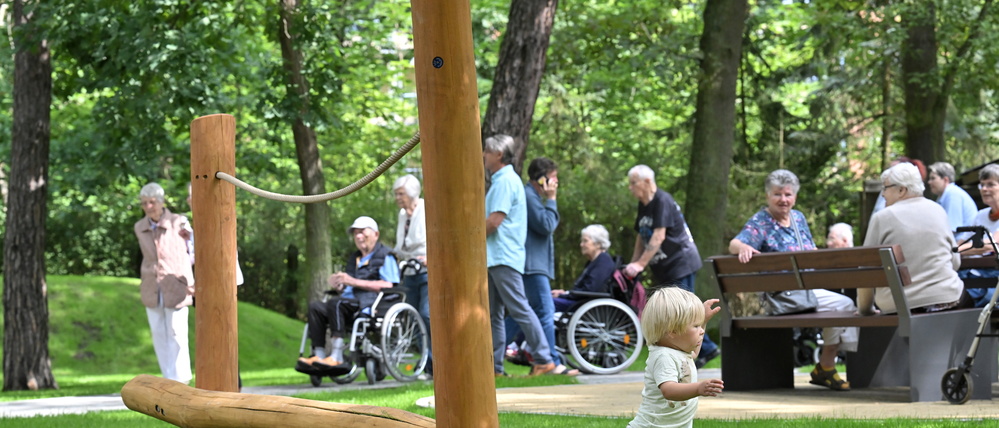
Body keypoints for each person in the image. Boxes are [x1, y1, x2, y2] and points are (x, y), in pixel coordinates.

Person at [728, 169, 858, 391]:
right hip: (779, 296)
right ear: (768, 196)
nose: (783, 199)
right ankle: (827, 366)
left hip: (804, 291)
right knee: (846, 306)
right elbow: (734, 243)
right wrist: (742, 247)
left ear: (795, 197)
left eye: (788, 194)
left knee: (845, 305)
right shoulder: (761, 221)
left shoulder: (798, 218)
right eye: (777, 194)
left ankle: (826, 366)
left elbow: (809, 250)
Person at [623, 164, 718, 369]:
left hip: (681, 262)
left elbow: (658, 236)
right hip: (665, 266)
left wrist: (640, 264)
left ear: (647, 182)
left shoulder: (662, 200)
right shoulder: (644, 205)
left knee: (684, 311)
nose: (630, 187)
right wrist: (634, 263)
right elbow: (641, 236)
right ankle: (705, 349)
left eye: (633, 183)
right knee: (675, 312)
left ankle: (704, 348)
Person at [484, 134, 557, 376]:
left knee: (520, 309)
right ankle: (495, 368)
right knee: (495, 314)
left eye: (487, 151)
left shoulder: (505, 181)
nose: (483, 155)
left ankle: (544, 359)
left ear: (498, 155)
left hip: (503, 255)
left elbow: (494, 221)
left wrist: (468, 241)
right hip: (497, 256)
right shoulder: (504, 180)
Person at [860, 163, 969, 315]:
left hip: (899, 306)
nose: (883, 194)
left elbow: (866, 270)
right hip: (948, 300)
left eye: (885, 188)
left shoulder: (882, 217)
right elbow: (955, 263)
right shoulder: (938, 210)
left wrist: (865, 309)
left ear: (901, 190)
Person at [502, 157, 576, 375]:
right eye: (553, 178)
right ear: (542, 179)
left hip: (533, 264)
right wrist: (552, 199)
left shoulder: (532, 197)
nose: (556, 183)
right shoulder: (529, 196)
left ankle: (489, 354)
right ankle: (550, 361)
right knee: (545, 310)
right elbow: (546, 225)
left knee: (522, 313)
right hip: (532, 266)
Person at [297, 216, 400, 370]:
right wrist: (339, 284)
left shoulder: (386, 255)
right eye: (355, 233)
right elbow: (349, 285)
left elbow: (388, 284)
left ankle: (337, 355)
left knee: (336, 303)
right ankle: (318, 354)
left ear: (376, 234)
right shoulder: (354, 257)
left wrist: (352, 281)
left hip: (370, 303)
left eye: (362, 232)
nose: (358, 236)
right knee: (316, 307)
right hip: (348, 303)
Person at [627, 287, 724, 428]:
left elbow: (694, 354)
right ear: (672, 331)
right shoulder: (663, 356)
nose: (702, 331)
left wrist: (703, 321)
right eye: (696, 326)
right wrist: (698, 388)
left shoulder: (678, 351)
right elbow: (669, 390)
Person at [134, 182, 195, 384]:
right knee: (158, 332)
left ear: (161, 202)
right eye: (144, 203)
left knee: (177, 332)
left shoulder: (179, 222)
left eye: (152, 202)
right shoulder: (139, 227)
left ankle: (181, 379)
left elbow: (193, 249)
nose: (148, 206)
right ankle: (168, 379)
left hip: (176, 284)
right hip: (152, 286)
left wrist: (189, 277)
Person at [391, 174, 431, 372]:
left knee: (426, 314)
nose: (397, 198)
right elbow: (402, 245)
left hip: (426, 270)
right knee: (413, 318)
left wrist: (430, 257)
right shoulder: (402, 214)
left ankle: (432, 362)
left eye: (401, 194)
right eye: (396, 194)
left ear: (412, 194)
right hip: (409, 271)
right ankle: (425, 362)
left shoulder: (426, 209)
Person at [956, 164, 999, 307]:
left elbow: (990, 245)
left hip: (992, 279)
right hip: (973, 275)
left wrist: (954, 251)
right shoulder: (980, 215)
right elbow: (962, 242)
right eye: (982, 185)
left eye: (990, 184)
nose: (984, 189)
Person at [552, 225, 618, 312]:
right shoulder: (594, 261)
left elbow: (590, 290)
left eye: (585, 241)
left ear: (598, 244)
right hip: (581, 302)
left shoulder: (603, 261)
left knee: (544, 302)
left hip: (585, 306)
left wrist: (562, 296)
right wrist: (565, 293)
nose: (581, 244)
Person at [927, 162, 977, 239]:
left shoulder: (953, 195)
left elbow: (950, 230)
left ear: (945, 180)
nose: (929, 182)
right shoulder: (944, 196)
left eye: (933, 178)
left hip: (964, 244)